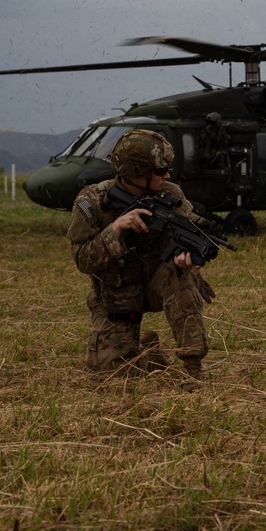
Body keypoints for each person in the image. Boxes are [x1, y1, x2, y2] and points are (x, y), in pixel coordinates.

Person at [68, 129, 215, 384]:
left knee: (181, 274)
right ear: (136, 172)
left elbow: (192, 232)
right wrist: (116, 229)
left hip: (158, 285)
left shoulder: (170, 195)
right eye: (159, 171)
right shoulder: (91, 201)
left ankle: (193, 370)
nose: (166, 176)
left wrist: (187, 260)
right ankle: (149, 352)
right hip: (116, 297)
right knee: (114, 376)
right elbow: (82, 260)